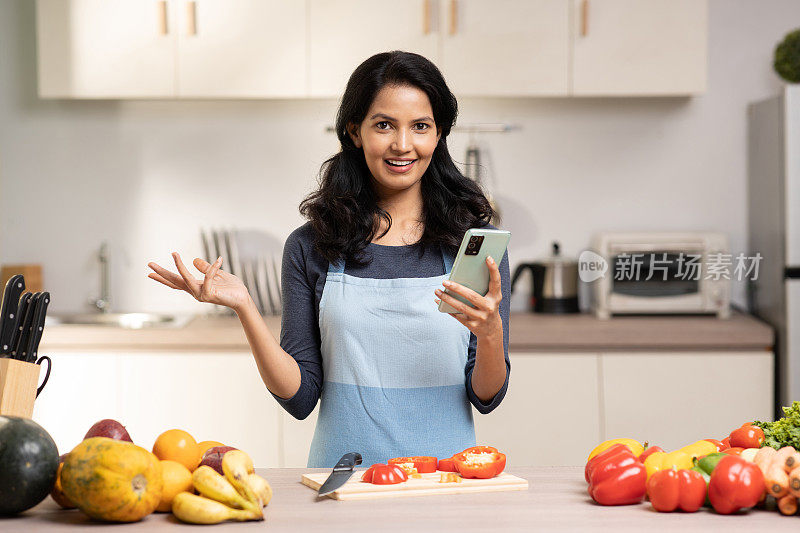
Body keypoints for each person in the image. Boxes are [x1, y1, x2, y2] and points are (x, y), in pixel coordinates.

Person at [148, 51, 511, 468]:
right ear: (355, 131)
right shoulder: (313, 245)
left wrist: (489, 335)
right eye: (384, 125)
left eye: (420, 127)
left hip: (447, 481)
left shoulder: (472, 247)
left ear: (439, 134)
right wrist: (245, 307)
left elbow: (487, 396)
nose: (403, 145)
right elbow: (300, 397)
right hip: (341, 483)